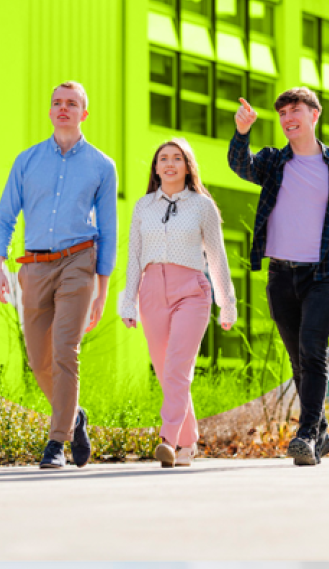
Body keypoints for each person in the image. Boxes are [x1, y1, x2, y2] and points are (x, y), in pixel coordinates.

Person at [229, 87, 329, 466]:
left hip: (326, 273)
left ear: (315, 115)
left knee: (313, 351)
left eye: (295, 110)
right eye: (281, 113)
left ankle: (306, 435)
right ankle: (324, 431)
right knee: (298, 358)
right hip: (281, 274)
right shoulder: (272, 162)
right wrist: (242, 133)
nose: (287, 118)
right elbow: (240, 164)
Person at [0, 80, 117, 470]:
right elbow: (5, 216)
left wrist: (102, 288)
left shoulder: (101, 165)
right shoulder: (27, 161)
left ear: (84, 113)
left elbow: (108, 229)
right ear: (49, 111)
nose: (64, 109)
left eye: (72, 103)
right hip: (34, 266)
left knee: (65, 350)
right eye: (57, 103)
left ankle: (55, 442)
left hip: (79, 261)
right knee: (38, 357)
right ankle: (74, 417)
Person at [118, 138, 236, 468]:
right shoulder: (143, 206)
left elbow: (217, 257)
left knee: (178, 368)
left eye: (177, 158)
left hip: (192, 291)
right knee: (167, 372)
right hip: (151, 290)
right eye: (163, 159)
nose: (169, 163)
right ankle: (188, 442)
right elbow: (134, 256)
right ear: (156, 168)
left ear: (187, 166)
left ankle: (166, 438)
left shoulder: (202, 206)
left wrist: (227, 302)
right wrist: (128, 301)